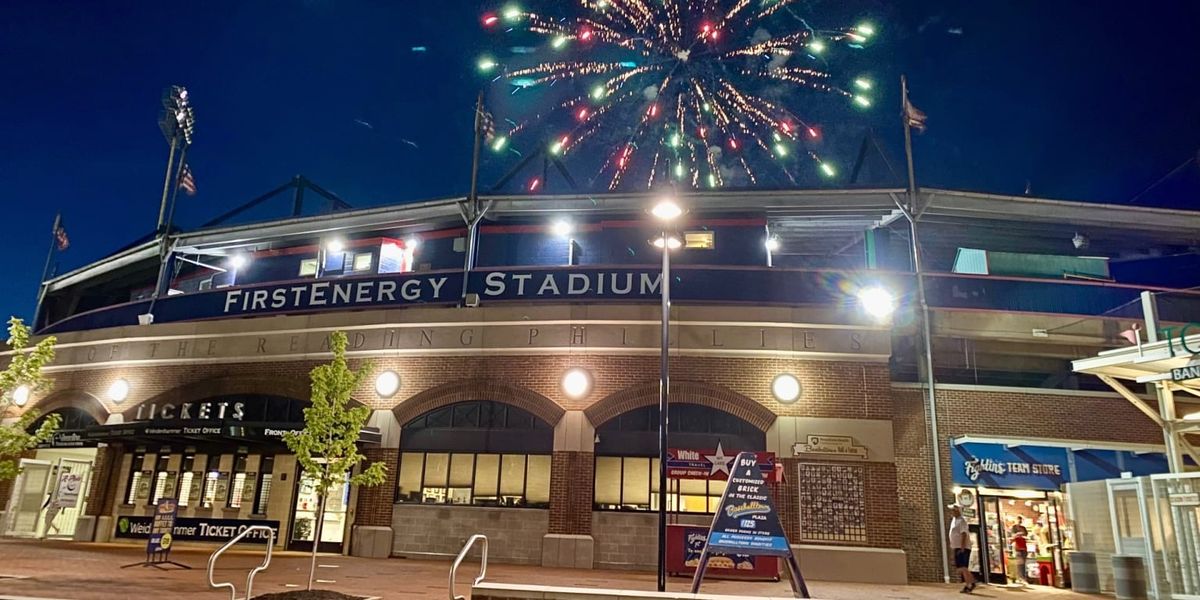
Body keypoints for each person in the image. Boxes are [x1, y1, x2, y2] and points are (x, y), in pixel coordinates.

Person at [948, 505, 976, 593]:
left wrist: (963, 547)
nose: (951, 512)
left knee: (963, 567)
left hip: (962, 547)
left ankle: (970, 583)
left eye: (953, 510)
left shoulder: (961, 521)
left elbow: (964, 534)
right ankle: (969, 584)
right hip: (957, 547)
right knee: (961, 568)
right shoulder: (954, 520)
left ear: (957, 511)